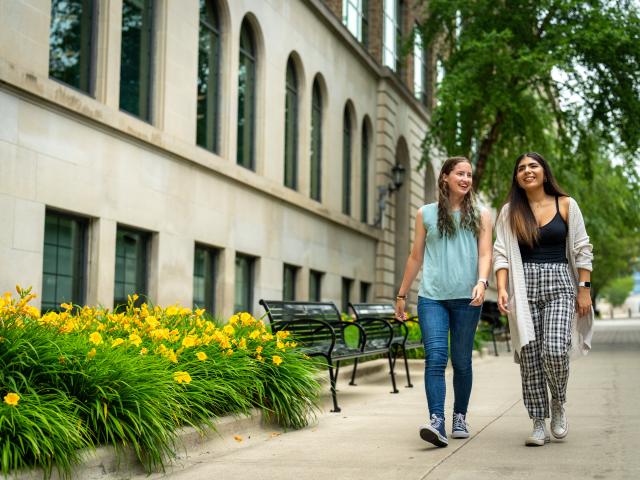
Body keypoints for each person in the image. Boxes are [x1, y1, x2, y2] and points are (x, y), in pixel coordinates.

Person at [493, 152, 594, 447]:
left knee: (554, 350)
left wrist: (584, 288)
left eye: (533, 166)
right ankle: (538, 421)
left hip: (561, 283)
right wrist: (501, 289)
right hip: (524, 287)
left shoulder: (566, 204)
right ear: (517, 177)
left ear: (544, 172)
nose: (527, 171)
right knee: (530, 358)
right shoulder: (510, 211)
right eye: (521, 168)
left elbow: (582, 248)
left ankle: (558, 403)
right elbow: (501, 253)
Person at [395, 156, 492, 447]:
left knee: (461, 361)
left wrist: (482, 282)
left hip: (467, 298)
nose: (466, 179)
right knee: (435, 358)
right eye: (460, 173)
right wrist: (402, 294)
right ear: (445, 177)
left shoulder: (482, 214)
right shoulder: (425, 214)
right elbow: (415, 257)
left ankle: (459, 416)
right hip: (432, 298)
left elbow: (485, 253)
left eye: (469, 175)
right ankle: (436, 421)